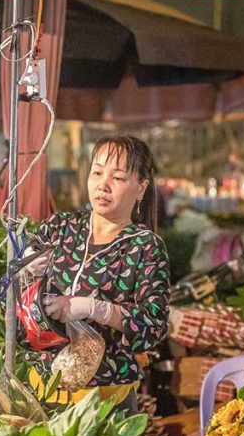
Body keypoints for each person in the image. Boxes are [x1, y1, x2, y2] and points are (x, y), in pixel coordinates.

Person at [23, 134, 170, 417]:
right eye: (97, 173)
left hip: (106, 401)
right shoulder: (59, 229)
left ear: (140, 188)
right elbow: (17, 301)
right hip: (44, 394)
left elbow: (153, 326)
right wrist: (25, 271)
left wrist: (97, 309)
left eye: (117, 178)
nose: (103, 185)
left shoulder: (144, 247)